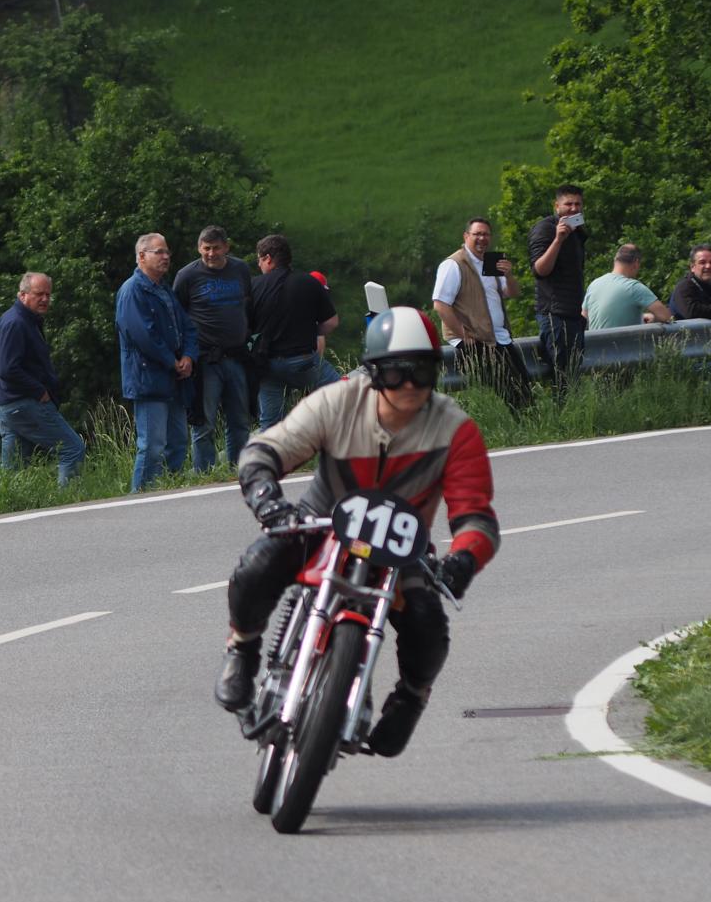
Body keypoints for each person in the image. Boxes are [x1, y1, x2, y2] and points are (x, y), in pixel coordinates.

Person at [212, 306, 500, 758]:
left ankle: (411, 698)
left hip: (400, 546)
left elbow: (476, 516)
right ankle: (242, 648)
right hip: (321, 522)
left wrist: (464, 558)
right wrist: (267, 499)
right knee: (257, 565)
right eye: (396, 372)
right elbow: (265, 450)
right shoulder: (338, 401)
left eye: (422, 371)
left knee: (428, 622)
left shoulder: (456, 430)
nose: (410, 385)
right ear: (374, 373)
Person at [116, 233, 197, 491]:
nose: (166, 257)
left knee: (178, 441)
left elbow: (187, 326)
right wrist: (173, 361)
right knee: (152, 445)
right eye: (159, 252)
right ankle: (140, 498)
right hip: (149, 379)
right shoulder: (132, 291)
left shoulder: (164, 289)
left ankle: (170, 494)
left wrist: (189, 356)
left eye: (167, 252)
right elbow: (143, 336)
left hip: (174, 378)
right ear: (141, 256)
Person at [0, 272, 86, 486]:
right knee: (72, 449)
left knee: (13, 470)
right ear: (23, 295)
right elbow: (7, 369)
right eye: (38, 294)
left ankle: (6, 504)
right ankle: (69, 502)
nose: (44, 299)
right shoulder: (15, 323)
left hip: (10, 405)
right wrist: (39, 391)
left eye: (48, 295)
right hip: (24, 403)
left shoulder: (25, 320)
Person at [173, 226, 253, 472]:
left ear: (226, 247)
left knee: (240, 419)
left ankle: (239, 468)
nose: (211, 253)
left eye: (216, 248)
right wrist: (185, 353)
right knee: (204, 422)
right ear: (199, 248)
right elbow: (177, 315)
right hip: (205, 358)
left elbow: (247, 303)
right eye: (206, 248)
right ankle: (204, 473)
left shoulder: (240, 269)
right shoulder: (187, 276)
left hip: (237, 355)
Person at [432, 217, 529, 413]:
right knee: (511, 393)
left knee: (524, 389)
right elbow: (440, 305)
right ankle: (519, 426)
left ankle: (530, 425)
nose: (482, 239)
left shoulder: (491, 261)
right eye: (477, 234)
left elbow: (512, 293)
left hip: (499, 338)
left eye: (486, 234)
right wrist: (463, 335)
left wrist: (509, 275)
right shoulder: (454, 264)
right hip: (477, 341)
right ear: (466, 236)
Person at [248, 234, 340, 430]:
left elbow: (245, 328)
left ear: (268, 259)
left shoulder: (253, 286)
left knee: (270, 425)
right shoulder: (309, 282)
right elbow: (331, 322)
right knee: (343, 396)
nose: (259, 265)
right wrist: (310, 331)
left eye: (259, 260)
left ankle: (269, 449)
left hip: (267, 365)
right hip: (303, 362)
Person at [528, 185, 589, 396]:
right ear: (557, 206)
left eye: (577, 204)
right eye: (568, 204)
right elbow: (540, 270)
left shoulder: (577, 231)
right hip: (554, 314)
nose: (573, 209)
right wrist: (558, 240)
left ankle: (573, 411)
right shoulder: (545, 228)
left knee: (573, 375)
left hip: (573, 314)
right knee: (562, 377)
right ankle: (563, 413)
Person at [583, 244, 675, 330]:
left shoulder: (594, 284)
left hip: (594, 342)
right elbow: (667, 317)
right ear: (636, 263)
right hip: (623, 342)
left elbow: (584, 317)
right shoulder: (633, 287)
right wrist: (654, 318)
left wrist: (640, 317)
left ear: (615, 260)